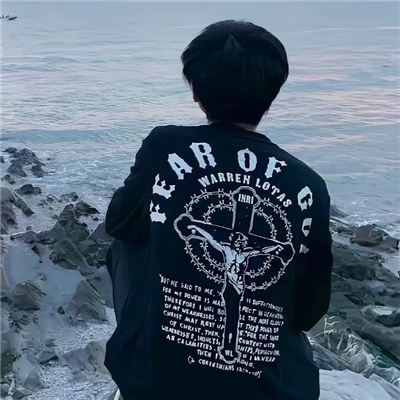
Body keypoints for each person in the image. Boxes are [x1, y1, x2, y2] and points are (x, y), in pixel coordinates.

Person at [105, 20, 333, 400]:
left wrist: (186, 227)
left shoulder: (165, 146)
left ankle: (154, 345)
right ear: (273, 94)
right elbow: (310, 309)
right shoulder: (309, 184)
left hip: (156, 382)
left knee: (131, 235)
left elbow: (116, 223)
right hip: (274, 390)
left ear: (196, 92)